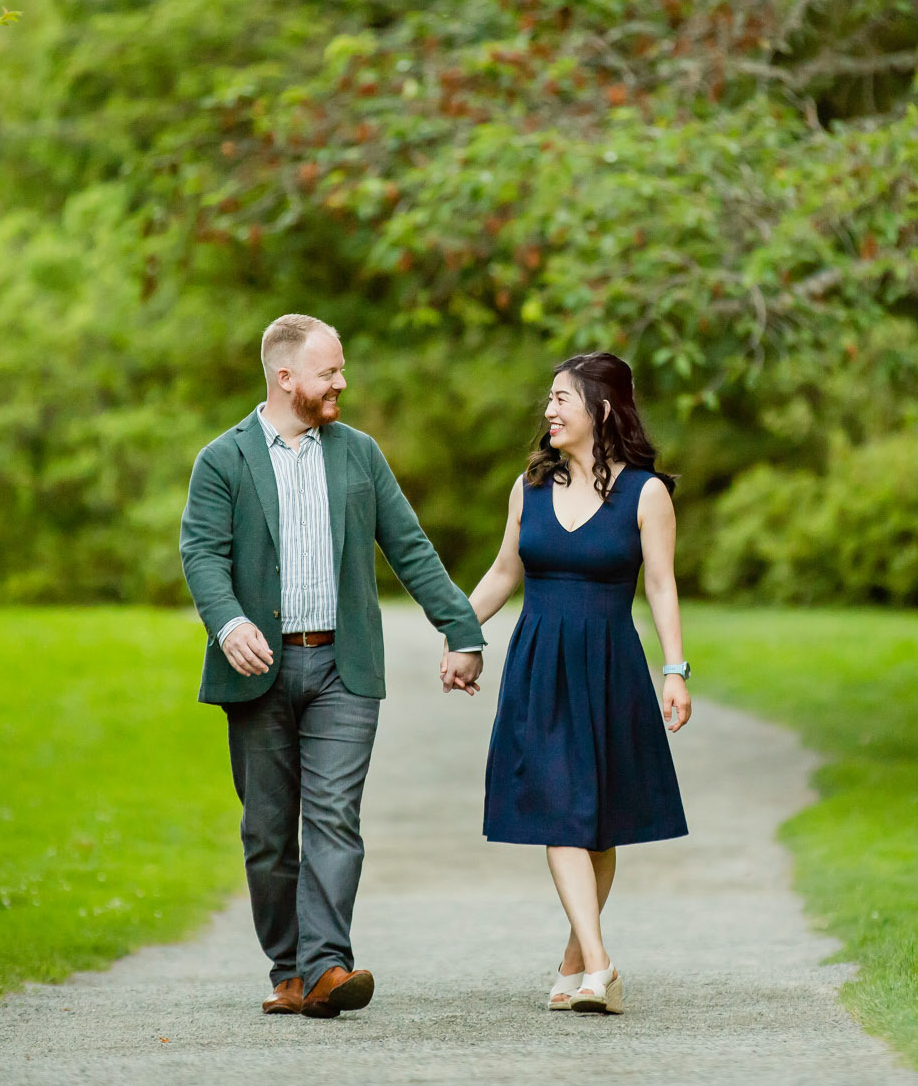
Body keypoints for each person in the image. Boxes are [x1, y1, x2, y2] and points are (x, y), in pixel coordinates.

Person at [179, 314, 487, 1019]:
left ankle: (326, 966)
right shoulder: (222, 460)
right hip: (258, 668)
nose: (342, 381)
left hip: (343, 667)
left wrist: (461, 628)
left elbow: (409, 545)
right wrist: (228, 624)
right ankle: (287, 968)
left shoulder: (358, 454)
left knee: (333, 816)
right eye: (330, 372)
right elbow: (201, 553)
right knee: (266, 829)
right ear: (286, 377)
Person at [456, 351, 692, 1015]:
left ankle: (571, 963)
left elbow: (661, 584)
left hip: (611, 663)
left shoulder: (647, 494)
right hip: (539, 664)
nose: (549, 409)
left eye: (564, 397)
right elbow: (504, 572)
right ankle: (601, 966)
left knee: (599, 822)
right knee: (562, 810)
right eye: (550, 398)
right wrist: (459, 630)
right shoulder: (528, 485)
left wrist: (674, 670)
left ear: (604, 408)